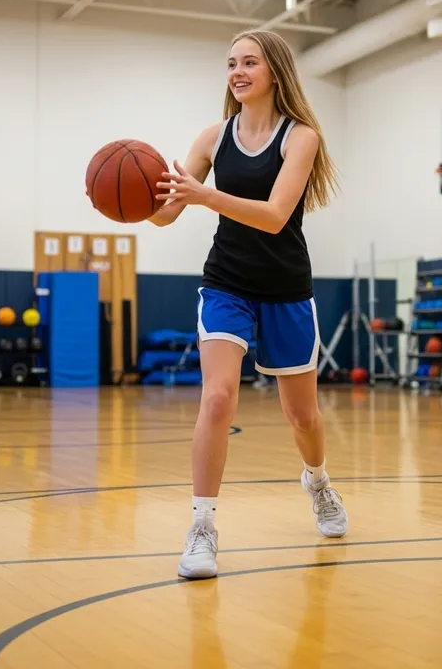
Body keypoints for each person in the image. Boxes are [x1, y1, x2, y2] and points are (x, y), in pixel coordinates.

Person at [148, 29, 348, 579]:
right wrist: (137, 198)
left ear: (274, 72)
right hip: (226, 283)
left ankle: (319, 481)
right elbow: (168, 211)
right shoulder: (213, 137)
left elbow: (276, 214)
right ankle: (202, 528)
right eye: (231, 63)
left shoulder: (300, 136)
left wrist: (204, 195)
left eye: (249, 62)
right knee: (216, 399)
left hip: (285, 288)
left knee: (302, 416)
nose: (237, 71)